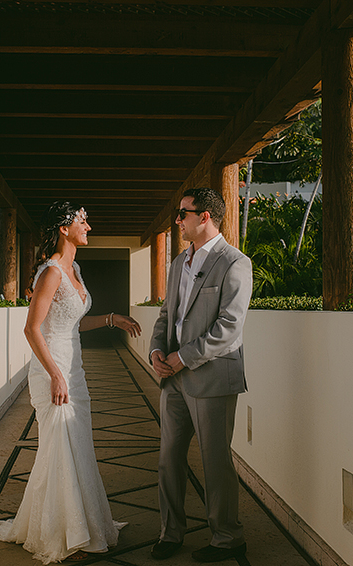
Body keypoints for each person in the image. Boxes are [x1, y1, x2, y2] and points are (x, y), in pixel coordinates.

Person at [0, 201, 142, 564]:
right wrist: (55, 374)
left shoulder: (76, 269)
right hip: (52, 371)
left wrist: (111, 319)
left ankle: (85, 523)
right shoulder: (51, 271)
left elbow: (72, 323)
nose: (88, 225)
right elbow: (32, 328)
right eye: (82, 220)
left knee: (78, 445)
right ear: (63, 229)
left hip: (75, 369)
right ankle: (60, 532)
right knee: (58, 450)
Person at [148, 187, 253, 563]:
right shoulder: (179, 263)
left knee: (215, 463)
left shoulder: (235, 262)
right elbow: (167, 316)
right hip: (173, 379)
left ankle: (227, 538)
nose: (178, 220)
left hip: (212, 380)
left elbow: (229, 328)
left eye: (183, 214)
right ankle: (170, 532)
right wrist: (158, 351)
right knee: (167, 460)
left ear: (204, 216)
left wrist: (182, 358)